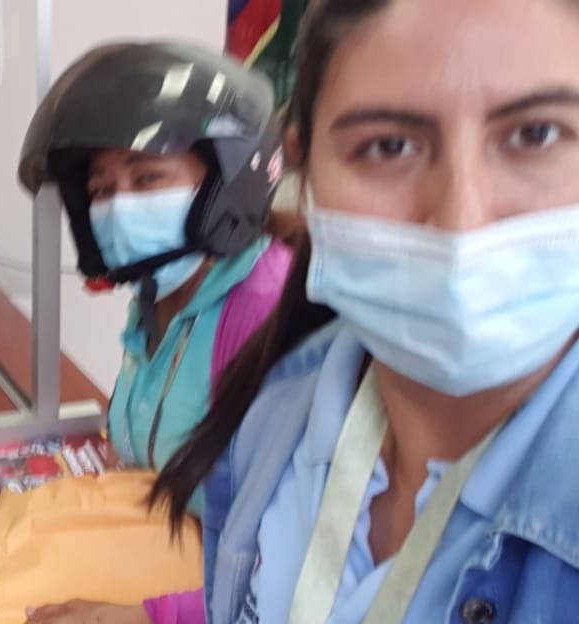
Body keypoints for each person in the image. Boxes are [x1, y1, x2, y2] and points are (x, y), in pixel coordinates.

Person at [34, 0, 579, 621]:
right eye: (389, 145)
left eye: (536, 135)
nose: (462, 218)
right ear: (306, 163)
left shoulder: (260, 318)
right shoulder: (277, 421)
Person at [18, 42, 296, 510]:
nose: (119, 206)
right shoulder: (159, 291)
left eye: (147, 178)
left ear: (225, 185)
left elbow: (276, 532)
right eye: (101, 188)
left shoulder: (265, 308)